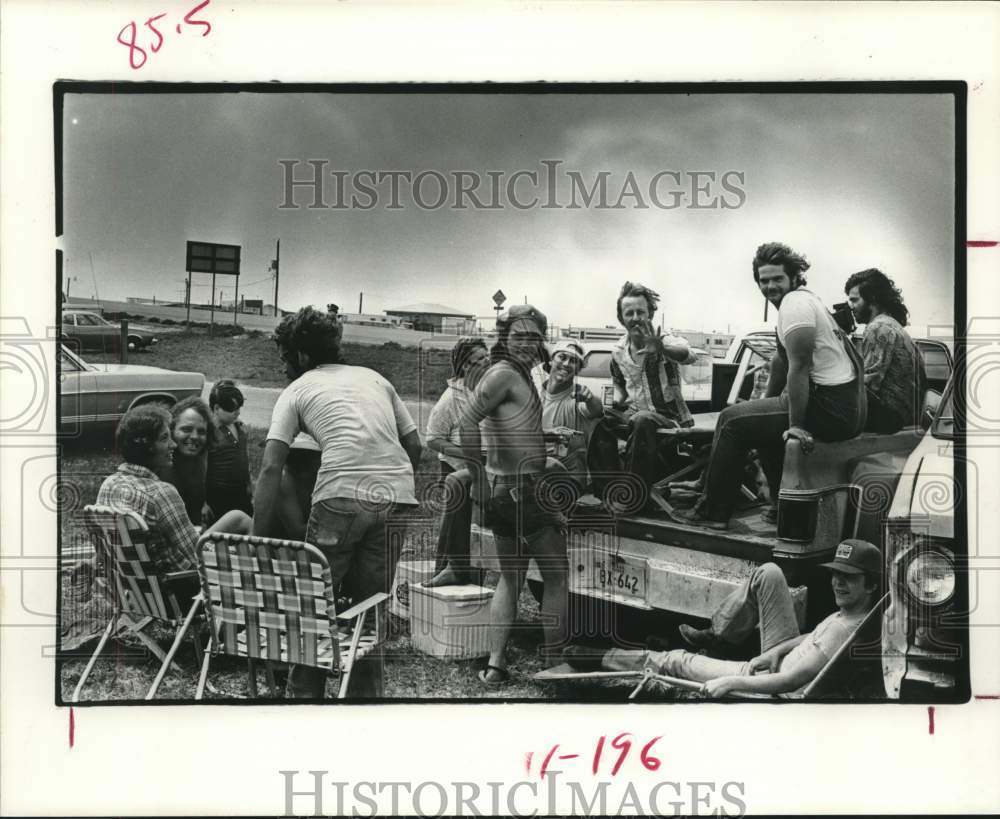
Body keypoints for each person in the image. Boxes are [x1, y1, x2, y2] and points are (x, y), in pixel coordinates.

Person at [253, 306, 422, 698]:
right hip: (396, 495)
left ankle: (305, 700)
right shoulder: (375, 378)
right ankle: (364, 702)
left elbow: (270, 468)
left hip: (339, 496)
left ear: (301, 356)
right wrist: (390, 483)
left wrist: (258, 542)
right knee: (369, 610)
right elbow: (414, 445)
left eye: (286, 358)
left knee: (313, 608)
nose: (285, 366)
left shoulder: (296, 389)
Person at [674, 242, 863, 530]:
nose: (770, 286)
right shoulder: (806, 301)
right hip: (841, 407)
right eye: (764, 280)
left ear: (794, 277)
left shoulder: (794, 304)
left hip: (829, 406)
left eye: (777, 279)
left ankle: (713, 513)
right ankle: (779, 505)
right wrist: (765, 407)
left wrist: (796, 424)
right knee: (757, 425)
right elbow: (780, 361)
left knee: (730, 420)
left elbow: (799, 366)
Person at [564, 539, 882, 698]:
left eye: (849, 578)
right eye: (837, 575)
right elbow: (812, 637)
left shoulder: (845, 630)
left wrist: (731, 681)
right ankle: (717, 636)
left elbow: (791, 683)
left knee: (677, 661)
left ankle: (601, 656)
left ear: (870, 584)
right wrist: (773, 651)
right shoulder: (854, 611)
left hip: (771, 686)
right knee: (769, 574)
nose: (838, 583)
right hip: (777, 660)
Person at [460, 304, 569, 685]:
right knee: (556, 577)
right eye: (519, 335)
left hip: (508, 490)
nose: (527, 343)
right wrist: (476, 479)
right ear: (504, 337)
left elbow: (507, 429)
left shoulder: (517, 375)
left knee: (510, 578)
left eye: (534, 336)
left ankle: (495, 666)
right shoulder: (504, 374)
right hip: (521, 490)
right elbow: (465, 423)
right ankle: (555, 664)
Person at [97, 404, 252, 602]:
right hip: (177, 590)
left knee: (235, 518)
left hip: (135, 590)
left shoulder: (109, 484)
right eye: (164, 438)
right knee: (240, 524)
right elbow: (199, 556)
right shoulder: (161, 492)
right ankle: (247, 602)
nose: (172, 444)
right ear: (146, 445)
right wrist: (231, 553)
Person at [604, 281, 698, 511]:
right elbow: (620, 387)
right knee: (600, 418)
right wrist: (613, 402)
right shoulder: (617, 351)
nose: (635, 317)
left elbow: (689, 355)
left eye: (640, 312)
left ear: (650, 313)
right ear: (621, 318)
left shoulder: (664, 339)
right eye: (629, 313)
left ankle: (636, 496)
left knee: (643, 419)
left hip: (670, 420)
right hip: (637, 418)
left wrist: (662, 349)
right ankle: (604, 487)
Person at [424, 337, 491, 587]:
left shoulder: (488, 389)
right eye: (480, 359)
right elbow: (433, 439)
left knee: (478, 531)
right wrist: (470, 454)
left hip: (484, 467)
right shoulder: (451, 398)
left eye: (488, 356)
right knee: (453, 528)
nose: (487, 362)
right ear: (465, 365)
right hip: (457, 466)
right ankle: (443, 574)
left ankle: (474, 584)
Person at [845, 268, 927, 433]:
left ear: (872, 299)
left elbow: (868, 385)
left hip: (893, 418)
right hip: (907, 414)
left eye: (855, 300)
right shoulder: (890, 323)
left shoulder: (878, 327)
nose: (851, 307)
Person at [540, 339, 604, 491]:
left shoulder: (578, 396)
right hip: (533, 467)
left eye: (574, 361)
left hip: (566, 478)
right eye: (562, 357)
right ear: (551, 361)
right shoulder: (533, 392)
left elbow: (595, 410)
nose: (567, 364)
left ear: (579, 369)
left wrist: (590, 399)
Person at [157, 396, 212, 526]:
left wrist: (205, 503)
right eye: (186, 429)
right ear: (171, 430)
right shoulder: (160, 462)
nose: (195, 437)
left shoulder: (202, 456)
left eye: (201, 431)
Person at [205, 380, 254, 517]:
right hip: (218, 497)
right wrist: (203, 502)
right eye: (231, 409)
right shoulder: (208, 432)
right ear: (216, 408)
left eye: (239, 408)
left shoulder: (240, 427)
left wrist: (249, 484)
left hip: (241, 493)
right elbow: (201, 469)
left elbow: (245, 458)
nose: (237, 412)